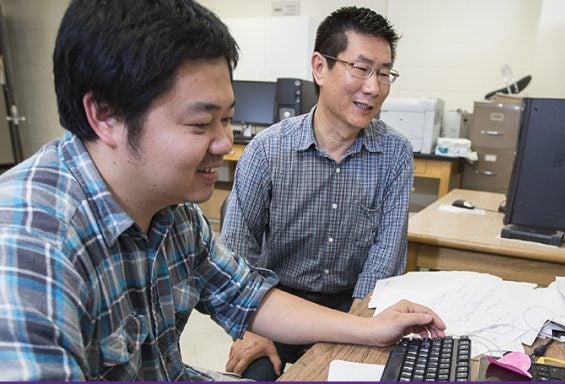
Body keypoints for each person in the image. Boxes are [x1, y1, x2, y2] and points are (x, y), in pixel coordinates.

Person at [0, 0, 445, 381]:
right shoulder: (29, 246)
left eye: (227, 119)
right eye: (200, 123)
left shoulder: (174, 211)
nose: (224, 144)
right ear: (105, 115)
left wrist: (372, 328)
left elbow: (244, 294)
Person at [220, 6, 413, 380]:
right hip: (272, 305)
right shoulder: (268, 150)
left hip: (350, 307)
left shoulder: (395, 154)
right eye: (360, 68)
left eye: (384, 73)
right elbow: (235, 256)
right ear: (320, 67)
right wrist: (252, 329)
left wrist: (359, 330)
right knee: (253, 373)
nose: (373, 87)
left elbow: (383, 261)